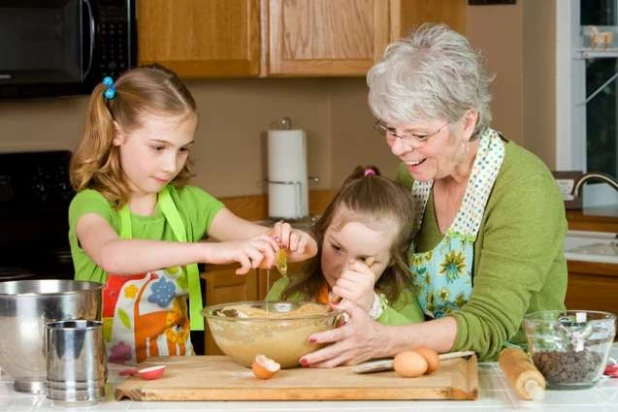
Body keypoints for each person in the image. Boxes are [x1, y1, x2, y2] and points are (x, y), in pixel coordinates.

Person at [299, 23, 567, 367]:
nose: (399, 147)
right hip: (432, 366)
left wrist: (382, 341)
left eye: (418, 135)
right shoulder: (413, 176)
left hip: (515, 372)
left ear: (467, 122)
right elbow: (385, 270)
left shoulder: (523, 188)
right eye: (390, 130)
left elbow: (490, 323)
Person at [68, 64, 317, 364]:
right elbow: (113, 256)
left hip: (179, 371)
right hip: (105, 378)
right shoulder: (91, 204)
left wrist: (297, 242)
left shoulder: (191, 203)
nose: (171, 165)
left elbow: (269, 244)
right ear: (116, 134)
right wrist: (210, 251)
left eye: (182, 149)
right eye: (158, 147)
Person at [266, 166, 424, 327]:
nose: (345, 269)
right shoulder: (286, 293)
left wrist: (373, 308)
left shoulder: (401, 299)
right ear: (323, 233)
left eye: (363, 259)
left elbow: (417, 340)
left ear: (392, 258)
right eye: (337, 248)